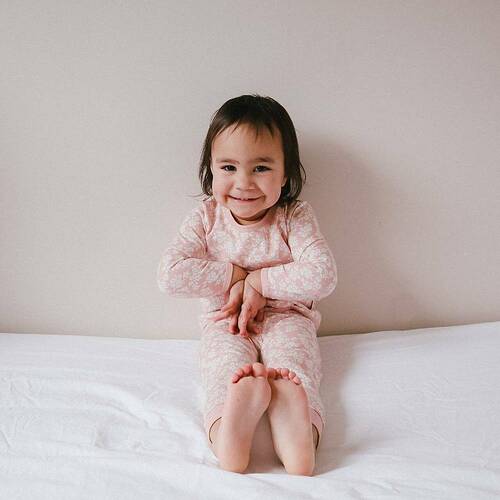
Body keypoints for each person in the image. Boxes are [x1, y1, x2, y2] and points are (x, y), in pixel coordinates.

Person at [157, 94, 337, 475]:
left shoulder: (293, 216)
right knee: (224, 376)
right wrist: (236, 275)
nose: (243, 183)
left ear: (285, 174)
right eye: (228, 167)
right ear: (211, 170)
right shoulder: (206, 218)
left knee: (295, 372)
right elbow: (169, 274)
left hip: (288, 319)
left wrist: (260, 281)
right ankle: (228, 435)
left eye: (261, 168)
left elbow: (323, 274)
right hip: (226, 322)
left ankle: (299, 438)